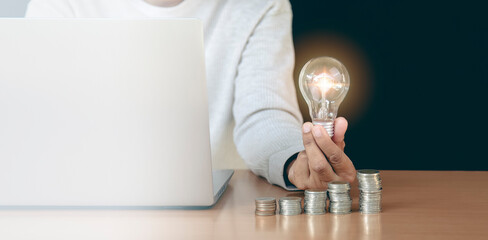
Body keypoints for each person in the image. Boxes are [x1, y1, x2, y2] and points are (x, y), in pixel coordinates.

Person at [26, 0, 356, 190]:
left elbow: (263, 116)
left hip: (218, 217)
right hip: (85, 204)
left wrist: (293, 163)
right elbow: (39, 119)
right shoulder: (61, 4)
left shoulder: (259, 5)